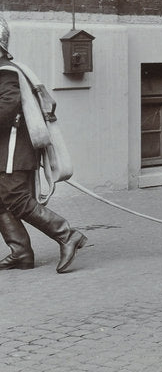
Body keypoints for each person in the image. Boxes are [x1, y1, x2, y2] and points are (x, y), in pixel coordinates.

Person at [0, 15, 87, 272]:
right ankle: (21, 253)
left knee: (15, 199)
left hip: (13, 152)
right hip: (7, 152)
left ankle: (66, 234)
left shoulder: (6, 73)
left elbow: (7, 108)